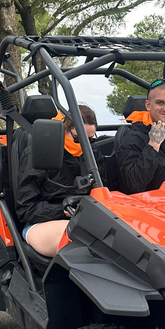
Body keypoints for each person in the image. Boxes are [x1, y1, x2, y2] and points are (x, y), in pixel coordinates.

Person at [15, 105, 101, 257]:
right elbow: (26, 209)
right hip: (42, 223)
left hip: (85, 218)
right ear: (64, 129)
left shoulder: (92, 153)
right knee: (85, 239)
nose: (84, 145)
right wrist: (63, 210)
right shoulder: (40, 152)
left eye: (89, 139)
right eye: (78, 138)